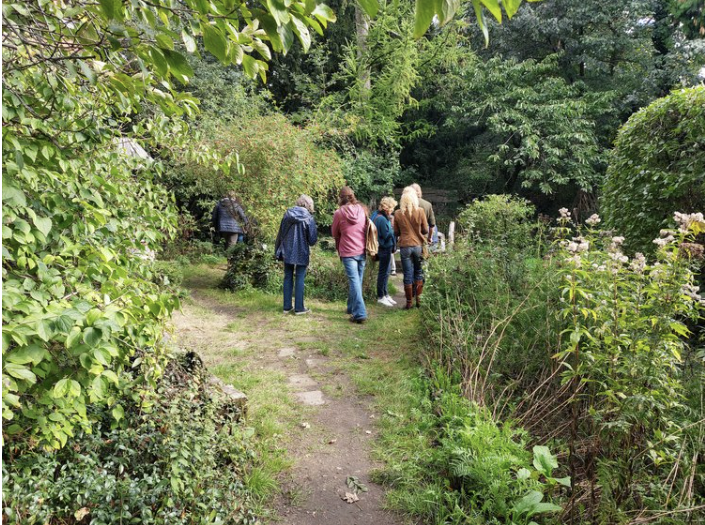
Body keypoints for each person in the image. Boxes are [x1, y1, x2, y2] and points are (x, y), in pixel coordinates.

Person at [275, 195, 318, 315]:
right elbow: (312, 240)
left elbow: (281, 233)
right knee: (299, 277)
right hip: (301, 251)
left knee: (287, 276)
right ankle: (299, 308)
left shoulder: (287, 214)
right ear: (308, 205)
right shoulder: (309, 218)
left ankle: (286, 307)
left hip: (287, 250)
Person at [332, 186, 368, 324]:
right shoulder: (361, 210)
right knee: (357, 281)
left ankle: (360, 313)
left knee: (355, 282)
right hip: (362, 249)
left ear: (340, 198)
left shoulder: (339, 213)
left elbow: (335, 233)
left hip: (348, 251)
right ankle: (351, 307)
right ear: (353, 196)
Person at [394, 187, 429, 309]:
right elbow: (425, 229)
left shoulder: (398, 213)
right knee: (418, 272)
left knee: (407, 273)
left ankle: (409, 302)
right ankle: (419, 301)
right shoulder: (420, 211)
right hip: (417, 245)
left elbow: (396, 231)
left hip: (405, 246)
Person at [371, 197, 398, 307]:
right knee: (383, 273)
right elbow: (386, 235)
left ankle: (385, 294)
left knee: (386, 272)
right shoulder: (381, 219)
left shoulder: (376, 214)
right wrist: (392, 230)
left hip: (383, 247)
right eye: (392, 208)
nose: (392, 211)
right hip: (384, 248)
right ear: (388, 208)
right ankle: (381, 296)